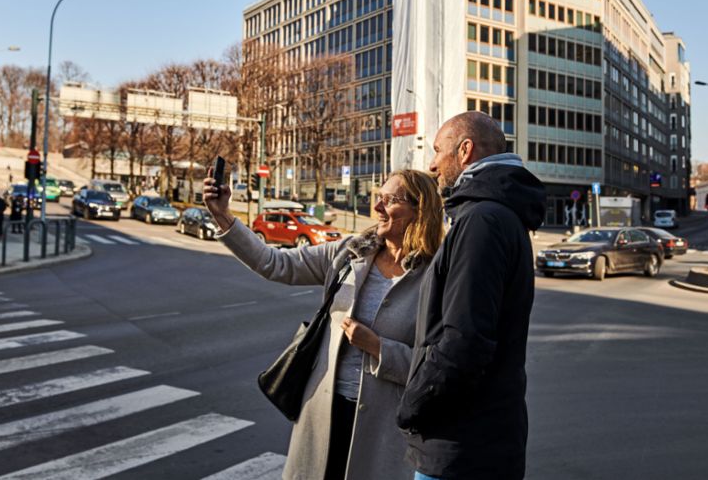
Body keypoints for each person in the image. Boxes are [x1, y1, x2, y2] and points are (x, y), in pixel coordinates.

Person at [203, 169, 444, 480]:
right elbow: (276, 264)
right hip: (323, 415)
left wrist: (379, 348)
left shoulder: (436, 276)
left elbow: (437, 366)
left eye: (390, 200)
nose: (377, 208)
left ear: (419, 210)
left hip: (384, 428)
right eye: (378, 198)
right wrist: (224, 217)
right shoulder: (349, 252)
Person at [397, 112, 546, 480]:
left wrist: (414, 404)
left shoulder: (481, 220)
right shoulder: (496, 214)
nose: (431, 164)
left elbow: (465, 340)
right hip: (479, 439)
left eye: (437, 151)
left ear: (464, 151)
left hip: (460, 446)